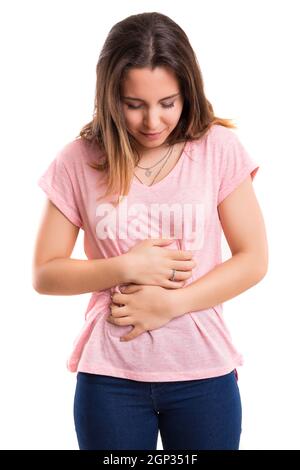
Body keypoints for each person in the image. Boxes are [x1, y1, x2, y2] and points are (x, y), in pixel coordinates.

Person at [32, 12, 268, 450]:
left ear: (188, 93)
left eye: (168, 103)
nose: (153, 121)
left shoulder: (217, 150)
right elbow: (45, 274)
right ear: (109, 95)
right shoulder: (77, 160)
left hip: (203, 373)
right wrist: (125, 265)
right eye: (134, 104)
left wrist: (172, 304)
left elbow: (254, 259)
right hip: (110, 377)